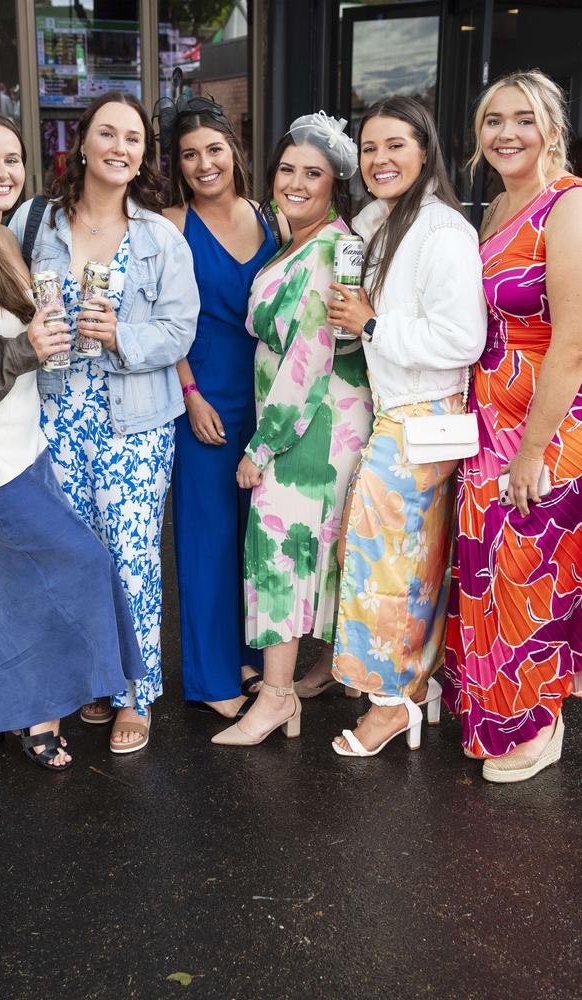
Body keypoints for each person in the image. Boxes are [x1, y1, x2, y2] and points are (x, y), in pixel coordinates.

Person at [0, 110, 144, 770]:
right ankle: (45, 713)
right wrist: (24, 348)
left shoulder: (5, 240)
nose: (3, 172)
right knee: (82, 561)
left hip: (28, 448)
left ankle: (20, 713)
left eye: (13, 159)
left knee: (4, 592)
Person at [9, 91, 198, 754]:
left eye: (135, 139)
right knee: (70, 556)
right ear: (81, 144)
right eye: (108, 134)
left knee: (132, 558)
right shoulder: (34, 224)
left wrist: (122, 335)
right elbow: (0, 303)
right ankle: (87, 677)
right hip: (53, 416)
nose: (121, 148)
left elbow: (180, 329)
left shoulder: (159, 236)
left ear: (144, 155)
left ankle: (134, 692)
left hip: (134, 425)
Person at [327, 96, 487, 758]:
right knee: (396, 562)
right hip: (401, 417)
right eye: (368, 148)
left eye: (396, 145)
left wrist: (370, 324)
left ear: (426, 151)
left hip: (421, 417)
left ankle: (391, 705)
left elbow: (462, 338)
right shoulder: (387, 220)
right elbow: (351, 225)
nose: (380, 159)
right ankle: (411, 690)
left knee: (387, 566)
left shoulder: (444, 231)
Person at [211, 111, 372, 747]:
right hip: (311, 418)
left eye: (314, 172)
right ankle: (322, 669)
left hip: (313, 424)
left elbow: (309, 356)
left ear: (336, 181)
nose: (296, 182)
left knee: (278, 545)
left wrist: (263, 446)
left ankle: (276, 698)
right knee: (312, 544)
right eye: (287, 170)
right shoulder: (296, 239)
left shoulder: (330, 249)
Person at [443, 70, 582, 782]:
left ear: (551, 128)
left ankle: (538, 721)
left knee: (530, 573)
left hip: (543, 423)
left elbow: (573, 342)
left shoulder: (568, 206)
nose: (505, 133)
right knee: (486, 570)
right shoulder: (497, 205)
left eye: (523, 119)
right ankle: (496, 708)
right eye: (493, 120)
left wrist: (530, 451)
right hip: (484, 415)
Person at [159, 96, 277, 718]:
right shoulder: (172, 224)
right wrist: (190, 393)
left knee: (253, 538)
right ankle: (211, 679)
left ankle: (247, 659)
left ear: (234, 151)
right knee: (208, 538)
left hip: (264, 397)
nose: (205, 164)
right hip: (201, 398)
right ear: (177, 165)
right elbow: (158, 317)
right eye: (189, 155)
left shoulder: (270, 217)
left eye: (214, 149)